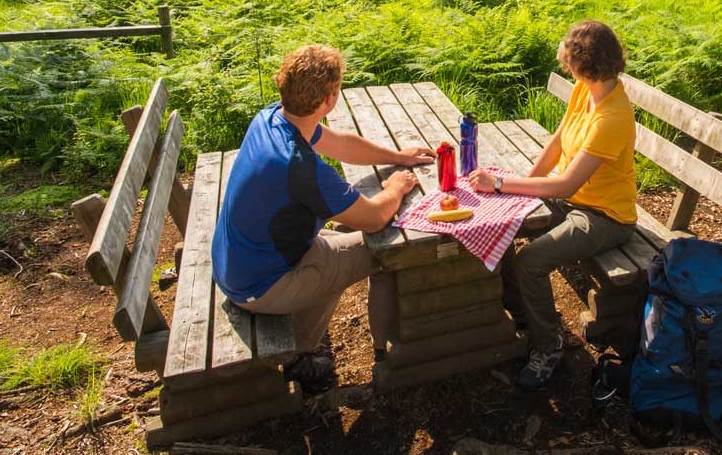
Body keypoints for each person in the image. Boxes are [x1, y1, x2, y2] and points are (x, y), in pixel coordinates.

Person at [210, 45, 432, 394]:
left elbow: (340, 144)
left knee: (336, 246)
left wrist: (397, 157)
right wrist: (396, 187)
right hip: (259, 285)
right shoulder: (299, 166)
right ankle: (388, 354)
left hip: (237, 263)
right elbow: (374, 218)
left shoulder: (271, 118)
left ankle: (302, 348)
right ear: (329, 99)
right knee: (386, 250)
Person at [468, 20, 637, 390]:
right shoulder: (586, 89)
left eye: (568, 58)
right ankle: (527, 314)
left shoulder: (613, 115)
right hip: (574, 200)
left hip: (606, 216)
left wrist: (499, 183)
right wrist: (521, 189)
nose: (565, 65)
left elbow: (565, 183)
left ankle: (549, 346)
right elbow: (559, 142)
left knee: (531, 261)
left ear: (582, 63)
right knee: (508, 225)